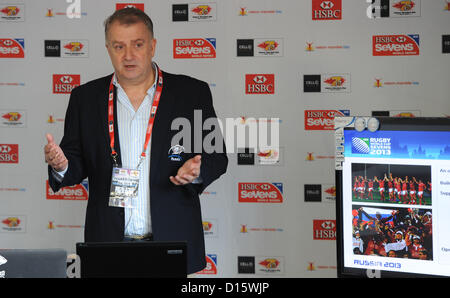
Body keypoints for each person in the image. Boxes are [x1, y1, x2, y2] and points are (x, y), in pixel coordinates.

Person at [43, 7, 228, 274]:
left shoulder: (191, 93)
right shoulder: (85, 98)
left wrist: (198, 171)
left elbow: (217, 157)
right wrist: (61, 164)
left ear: (152, 46)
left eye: (137, 44)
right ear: (108, 49)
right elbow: (75, 164)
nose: (128, 55)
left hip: (172, 241)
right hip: (108, 243)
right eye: (119, 46)